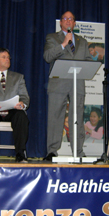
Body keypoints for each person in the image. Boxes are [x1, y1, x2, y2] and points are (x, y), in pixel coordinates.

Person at [43, 11, 92, 161]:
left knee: (77, 118)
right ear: (61, 23)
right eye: (65, 18)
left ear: (75, 23)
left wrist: (88, 65)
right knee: (55, 118)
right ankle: (52, 151)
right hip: (58, 83)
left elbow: (89, 60)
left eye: (71, 19)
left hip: (77, 84)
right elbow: (47, 57)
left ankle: (78, 151)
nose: (68, 21)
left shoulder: (82, 41)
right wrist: (64, 43)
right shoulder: (52, 37)